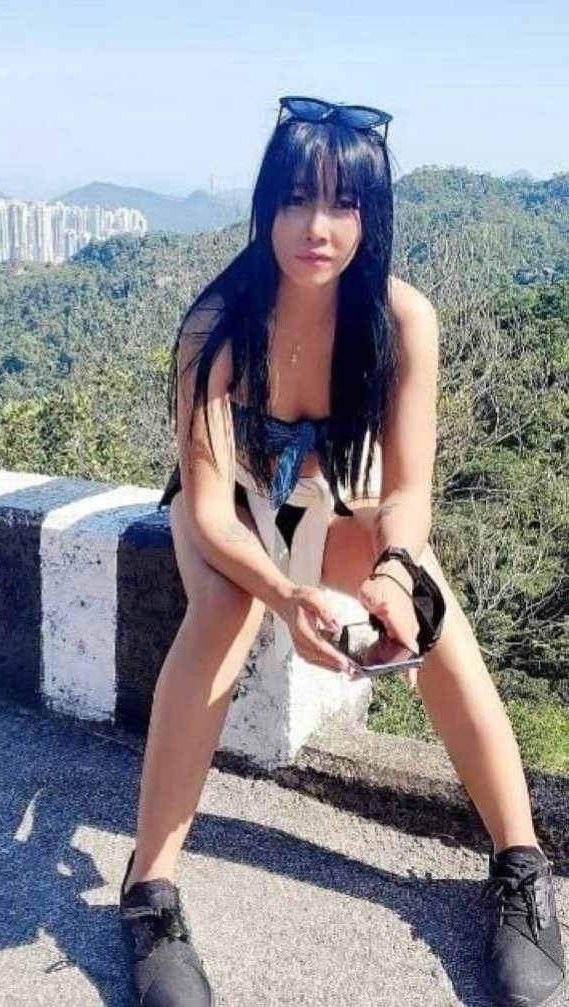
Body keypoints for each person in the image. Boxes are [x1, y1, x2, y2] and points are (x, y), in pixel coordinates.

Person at [117, 96, 566, 1007]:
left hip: (328, 501)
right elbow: (208, 509)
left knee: (428, 603)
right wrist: (287, 596)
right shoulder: (217, 325)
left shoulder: (400, 320)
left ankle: (520, 865)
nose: (315, 227)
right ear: (266, 206)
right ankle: (148, 887)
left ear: (371, 215)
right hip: (232, 506)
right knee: (224, 606)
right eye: (294, 199)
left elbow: (406, 491)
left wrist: (394, 571)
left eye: (341, 203)